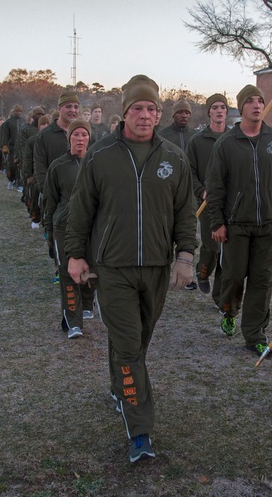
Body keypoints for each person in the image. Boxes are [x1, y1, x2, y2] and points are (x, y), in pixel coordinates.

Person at [66, 74, 196, 464]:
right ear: (124, 113)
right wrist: (75, 255)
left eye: (150, 109)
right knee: (128, 346)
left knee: (137, 343)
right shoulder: (101, 155)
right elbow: (80, 210)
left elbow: (185, 213)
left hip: (156, 268)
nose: (144, 115)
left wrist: (186, 256)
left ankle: (118, 385)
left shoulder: (174, 158)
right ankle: (140, 431)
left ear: (159, 114)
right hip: (113, 268)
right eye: (136, 108)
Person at [205, 85, 272, 356]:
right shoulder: (226, 144)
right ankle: (229, 311)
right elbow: (215, 186)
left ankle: (255, 334)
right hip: (236, 225)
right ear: (241, 108)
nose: (256, 105)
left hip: (268, 224)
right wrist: (216, 222)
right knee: (233, 276)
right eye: (250, 101)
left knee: (262, 280)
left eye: (260, 101)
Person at [44, 118, 95, 338]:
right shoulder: (58, 166)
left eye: (84, 135)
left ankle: (87, 305)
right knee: (67, 273)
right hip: (63, 227)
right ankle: (73, 322)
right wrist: (48, 230)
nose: (80, 139)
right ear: (69, 137)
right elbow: (49, 201)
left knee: (90, 269)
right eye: (76, 134)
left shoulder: (96, 163)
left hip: (91, 228)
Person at [185, 93, 230, 301]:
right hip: (207, 203)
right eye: (215, 107)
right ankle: (202, 271)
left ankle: (220, 297)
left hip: (231, 204)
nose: (219, 110)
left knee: (227, 253)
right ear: (209, 112)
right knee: (212, 246)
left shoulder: (234, 139)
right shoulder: (197, 141)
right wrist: (201, 190)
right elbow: (189, 172)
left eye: (223, 107)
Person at [33, 93, 80, 197]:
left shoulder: (84, 134)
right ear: (59, 108)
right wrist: (47, 191)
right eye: (68, 106)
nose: (73, 110)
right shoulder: (45, 135)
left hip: (79, 196)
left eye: (76, 107)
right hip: (55, 196)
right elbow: (40, 166)